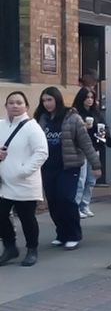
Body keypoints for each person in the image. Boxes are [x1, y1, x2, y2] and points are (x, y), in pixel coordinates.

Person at [34, 87, 101, 250]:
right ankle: (61, 233)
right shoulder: (41, 119)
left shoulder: (72, 117)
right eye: (44, 100)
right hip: (48, 167)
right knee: (54, 201)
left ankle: (73, 234)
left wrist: (96, 165)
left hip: (69, 166)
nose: (47, 103)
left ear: (57, 99)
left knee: (66, 199)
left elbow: (85, 142)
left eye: (50, 99)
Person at [0, 91, 48, 267]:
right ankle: (10, 247)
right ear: (6, 106)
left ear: (26, 106)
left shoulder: (32, 127)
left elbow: (41, 152)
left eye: (19, 103)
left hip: (24, 182)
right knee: (1, 215)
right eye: (11, 102)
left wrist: (23, 171)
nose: (15, 105)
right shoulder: (1, 125)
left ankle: (32, 249)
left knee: (27, 217)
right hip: (3, 182)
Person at [72, 86, 103, 218]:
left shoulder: (96, 113)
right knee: (81, 179)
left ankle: (85, 205)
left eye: (92, 97)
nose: (89, 100)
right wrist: (83, 126)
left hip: (94, 148)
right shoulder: (75, 113)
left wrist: (103, 133)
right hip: (81, 149)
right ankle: (76, 206)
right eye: (87, 97)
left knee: (91, 180)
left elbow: (103, 126)